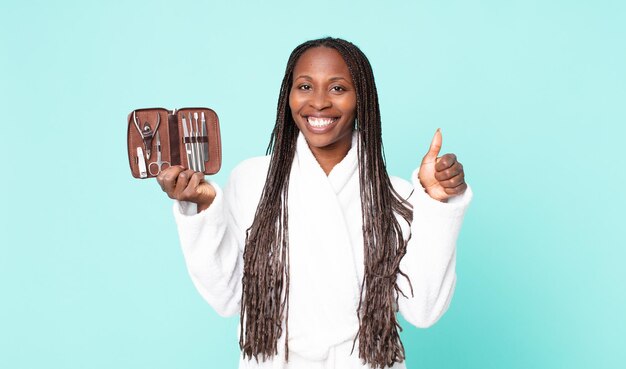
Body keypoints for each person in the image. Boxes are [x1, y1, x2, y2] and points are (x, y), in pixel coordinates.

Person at [156, 37, 472, 369]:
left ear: (361, 99)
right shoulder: (251, 181)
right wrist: (202, 204)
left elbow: (423, 310)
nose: (318, 102)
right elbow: (228, 297)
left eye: (337, 89)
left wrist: (437, 204)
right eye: (305, 86)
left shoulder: (394, 194)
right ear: (288, 96)